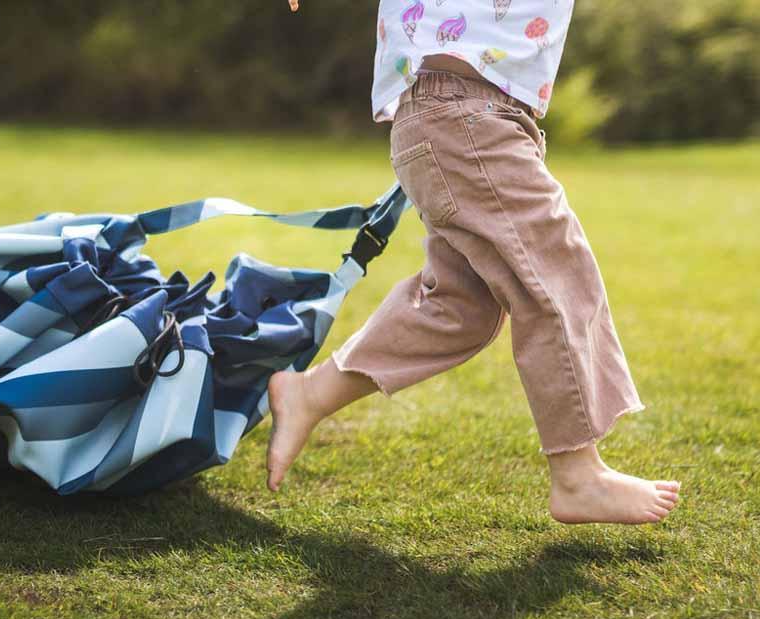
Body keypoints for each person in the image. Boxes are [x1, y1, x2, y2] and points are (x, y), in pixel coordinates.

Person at [268, 0, 681, 524]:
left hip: (463, 118)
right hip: (465, 114)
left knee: (461, 308)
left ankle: (311, 393)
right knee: (555, 272)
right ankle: (578, 475)